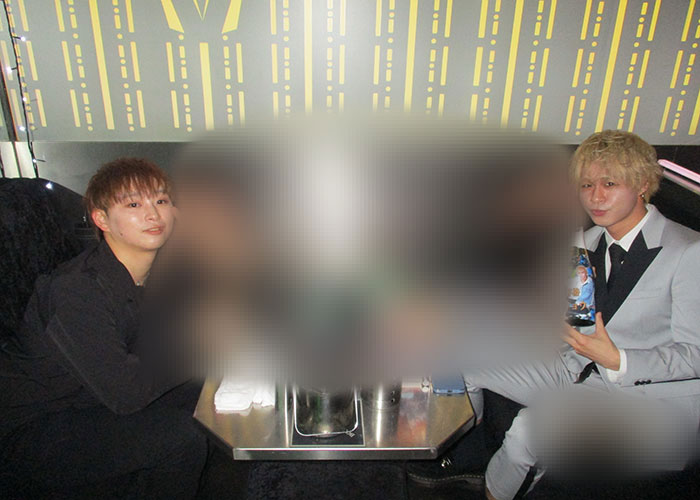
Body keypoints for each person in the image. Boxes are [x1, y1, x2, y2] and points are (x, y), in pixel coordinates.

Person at [412, 130, 700, 499]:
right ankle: (465, 456)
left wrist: (621, 360)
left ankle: (495, 491)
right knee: (455, 357)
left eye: (609, 184)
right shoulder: (586, 243)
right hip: (577, 373)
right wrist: (451, 310)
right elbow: (539, 311)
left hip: (653, 407)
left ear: (643, 183)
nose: (595, 197)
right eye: (586, 185)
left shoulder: (687, 252)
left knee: (530, 430)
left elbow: (694, 355)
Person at [0, 158, 208, 498]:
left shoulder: (157, 274)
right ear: (101, 219)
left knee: (203, 391)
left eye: (161, 200)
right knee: (180, 437)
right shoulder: (75, 291)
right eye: (133, 205)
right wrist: (201, 345)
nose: (153, 214)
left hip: (90, 400)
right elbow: (127, 394)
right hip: (34, 429)